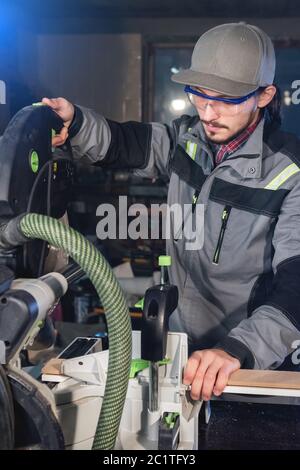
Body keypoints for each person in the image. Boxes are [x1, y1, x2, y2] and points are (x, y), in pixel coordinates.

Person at [43, 22, 300, 402]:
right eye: (199, 94)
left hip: (251, 364)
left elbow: (296, 284)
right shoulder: (188, 139)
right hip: (180, 348)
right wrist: (76, 123)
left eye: (226, 99)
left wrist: (237, 350)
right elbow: (125, 143)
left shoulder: (289, 171)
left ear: (264, 96)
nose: (208, 112)